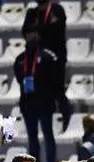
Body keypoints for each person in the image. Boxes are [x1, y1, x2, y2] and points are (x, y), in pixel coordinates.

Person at [14, 29, 63, 162]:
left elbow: (55, 79)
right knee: (32, 137)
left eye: (34, 34)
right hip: (28, 104)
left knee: (48, 135)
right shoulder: (20, 59)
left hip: (45, 103)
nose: (31, 37)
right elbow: (19, 79)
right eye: (29, 34)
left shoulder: (48, 56)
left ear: (39, 35)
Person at [21, 0, 72, 130]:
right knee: (39, 91)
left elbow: (57, 29)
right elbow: (25, 31)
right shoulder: (31, 12)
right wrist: (45, 28)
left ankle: (67, 118)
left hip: (56, 58)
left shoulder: (57, 9)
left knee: (58, 90)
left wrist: (38, 31)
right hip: (37, 59)